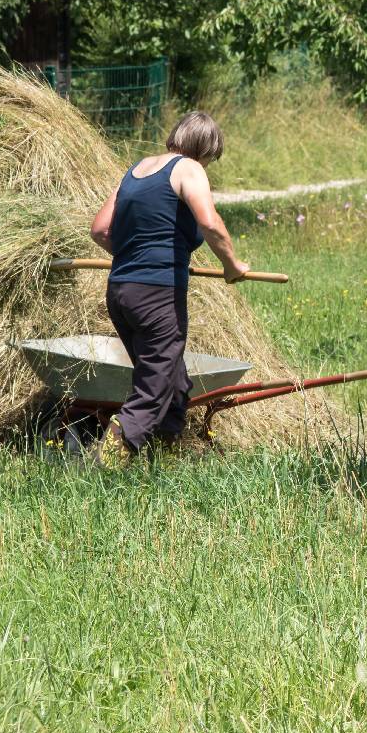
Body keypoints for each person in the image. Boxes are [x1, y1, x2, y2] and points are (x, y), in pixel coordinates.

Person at [88, 111, 249, 467]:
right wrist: (232, 266)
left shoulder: (135, 171)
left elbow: (100, 230)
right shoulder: (189, 169)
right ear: (204, 150)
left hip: (120, 291)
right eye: (211, 158)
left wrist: (135, 255)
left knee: (171, 377)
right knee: (155, 383)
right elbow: (210, 222)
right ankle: (104, 464)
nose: (208, 165)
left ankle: (167, 459)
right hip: (156, 294)